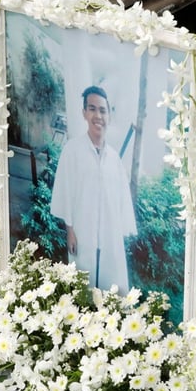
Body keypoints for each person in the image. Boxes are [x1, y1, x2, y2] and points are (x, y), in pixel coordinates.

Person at [50, 85, 138, 291]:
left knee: (112, 283)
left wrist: (121, 231)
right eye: (92, 109)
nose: (98, 115)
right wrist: (70, 230)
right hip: (82, 228)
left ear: (109, 116)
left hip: (109, 230)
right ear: (84, 113)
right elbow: (66, 191)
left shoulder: (114, 159)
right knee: (82, 281)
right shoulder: (72, 151)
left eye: (102, 110)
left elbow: (121, 200)